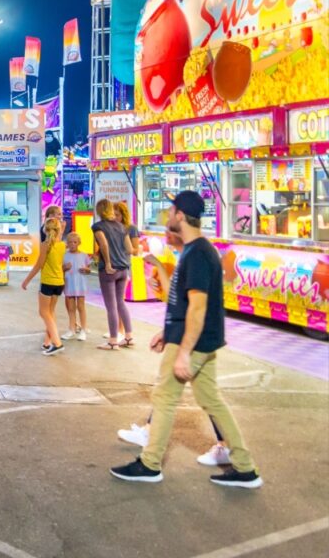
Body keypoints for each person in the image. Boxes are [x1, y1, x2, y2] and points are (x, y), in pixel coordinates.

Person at [110, 191, 261, 488]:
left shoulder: (200, 254)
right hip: (197, 340)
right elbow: (182, 303)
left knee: (164, 398)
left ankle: (150, 464)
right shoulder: (194, 251)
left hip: (193, 343)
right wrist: (168, 332)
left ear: (180, 215)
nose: (167, 214)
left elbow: (198, 306)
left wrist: (183, 351)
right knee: (211, 400)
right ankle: (245, 468)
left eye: (170, 209)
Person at [93, 199, 135, 349]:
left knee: (111, 306)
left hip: (109, 271)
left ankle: (113, 341)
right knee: (120, 302)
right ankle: (129, 337)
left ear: (99, 210)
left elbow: (103, 244)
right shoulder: (122, 227)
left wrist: (109, 263)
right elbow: (130, 249)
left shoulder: (98, 226)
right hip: (124, 269)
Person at [21, 217, 66, 356]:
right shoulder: (62, 245)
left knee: (44, 312)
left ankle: (57, 343)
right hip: (59, 282)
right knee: (50, 313)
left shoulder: (45, 245)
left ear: (45, 230)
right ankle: (49, 341)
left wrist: (26, 281)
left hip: (48, 282)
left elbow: (39, 265)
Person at [62, 232, 91, 341]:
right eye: (70, 242)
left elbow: (88, 270)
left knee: (81, 307)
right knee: (71, 308)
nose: (72, 244)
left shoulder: (84, 255)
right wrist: (64, 268)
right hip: (69, 284)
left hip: (80, 284)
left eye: (75, 242)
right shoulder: (64, 255)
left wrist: (86, 270)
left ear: (79, 243)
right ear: (67, 243)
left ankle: (83, 330)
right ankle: (71, 329)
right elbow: (60, 269)